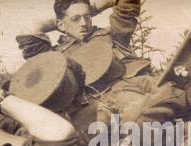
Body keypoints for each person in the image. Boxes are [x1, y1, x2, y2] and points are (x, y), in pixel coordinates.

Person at [16, 0, 157, 131]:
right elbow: (28, 31)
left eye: (87, 17)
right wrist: (56, 23)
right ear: (60, 25)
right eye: (76, 19)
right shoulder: (55, 55)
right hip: (91, 105)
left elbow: (127, 4)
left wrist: (94, 8)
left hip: (128, 90)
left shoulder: (110, 34)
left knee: (148, 114)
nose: (83, 23)